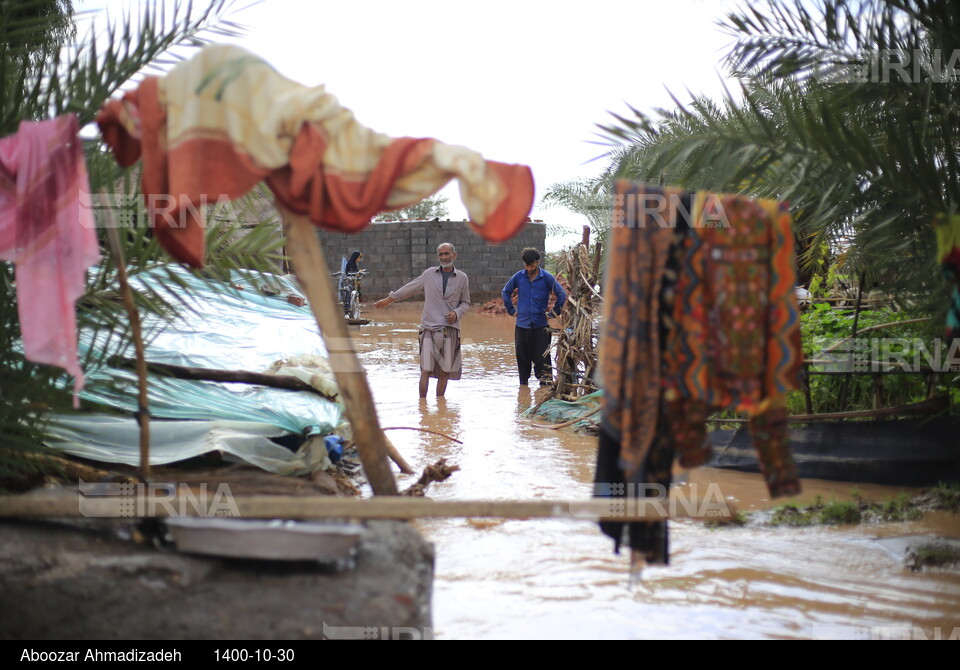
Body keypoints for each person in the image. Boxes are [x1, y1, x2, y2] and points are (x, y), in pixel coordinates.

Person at [375, 243, 470, 397]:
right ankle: (422, 407)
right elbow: (410, 288)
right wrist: (389, 299)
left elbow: (465, 302)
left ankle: (440, 406)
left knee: (445, 372)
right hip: (429, 329)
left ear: (454, 255)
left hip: (450, 329)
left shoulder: (462, 278)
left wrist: (457, 313)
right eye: (441, 254)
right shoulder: (429, 274)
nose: (444, 257)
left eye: (447, 254)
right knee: (425, 370)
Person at [501, 248, 566, 386]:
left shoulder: (547, 277)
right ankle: (523, 390)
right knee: (522, 359)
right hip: (522, 326)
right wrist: (511, 311)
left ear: (537, 262)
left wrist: (554, 313)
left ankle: (544, 391)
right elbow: (505, 292)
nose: (528, 268)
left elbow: (562, 295)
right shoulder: (519, 277)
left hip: (540, 326)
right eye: (526, 265)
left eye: (531, 265)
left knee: (543, 360)